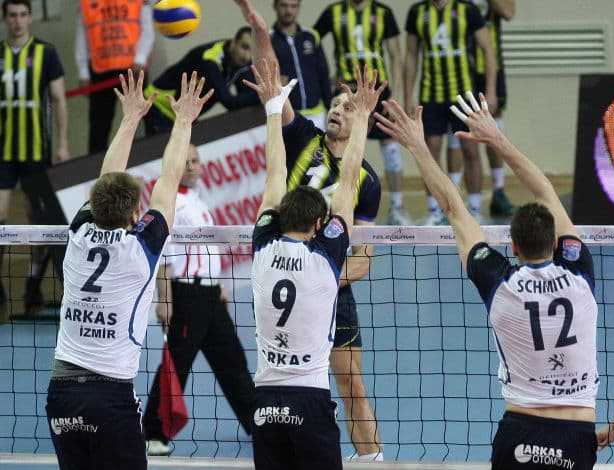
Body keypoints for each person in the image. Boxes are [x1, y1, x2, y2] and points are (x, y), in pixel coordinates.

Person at [375, 93, 599, 470]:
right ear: (555, 242)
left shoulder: (500, 284)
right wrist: (497, 139)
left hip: (520, 432)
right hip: (576, 434)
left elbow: (454, 208)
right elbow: (545, 191)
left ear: (513, 246)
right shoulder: (580, 273)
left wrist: (417, 146)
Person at [234, 0, 385, 460]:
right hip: (286, 266)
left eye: (347, 107)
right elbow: (272, 84)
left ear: (359, 119)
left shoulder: (367, 182)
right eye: (334, 104)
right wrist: (261, 31)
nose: (337, 110)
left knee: (352, 384)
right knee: (289, 377)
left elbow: (363, 259)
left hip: (329, 287)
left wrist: (322, 279)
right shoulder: (302, 137)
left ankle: (373, 460)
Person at [45, 69, 213, 470]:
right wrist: (184, 121)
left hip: (61, 395)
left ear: (95, 206)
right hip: (110, 396)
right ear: (136, 214)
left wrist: (130, 119)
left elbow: (106, 179)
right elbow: (169, 180)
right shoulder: (141, 249)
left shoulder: (78, 235)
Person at [143, 144, 255, 456]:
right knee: (176, 364)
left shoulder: (196, 199)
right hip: (186, 296)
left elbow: (207, 249)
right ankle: (153, 433)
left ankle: (257, 424)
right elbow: (163, 256)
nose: (192, 166)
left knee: (232, 361)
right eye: (186, 161)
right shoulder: (170, 203)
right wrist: (164, 300)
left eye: (196, 160)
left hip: (210, 295)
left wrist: (218, 285)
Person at [314, 0, 412, 225]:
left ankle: (397, 208)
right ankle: (330, 204)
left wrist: (395, 94)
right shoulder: (334, 11)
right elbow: (312, 42)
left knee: (390, 147)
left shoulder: (383, 12)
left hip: (377, 92)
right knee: (336, 145)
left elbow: (395, 54)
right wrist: (326, 76)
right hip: (346, 92)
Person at [0, 0, 70, 310]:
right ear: (5, 19)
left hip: (36, 151)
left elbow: (59, 99)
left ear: (30, 17)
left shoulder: (46, 52)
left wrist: (63, 144)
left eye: (23, 15)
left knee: (37, 221)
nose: (18, 21)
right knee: (1, 218)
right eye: (12, 15)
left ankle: (32, 284)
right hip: (3, 152)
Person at [404, 0, 497, 225]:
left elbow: (487, 49)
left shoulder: (467, 9)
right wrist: (407, 95)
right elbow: (411, 55)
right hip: (431, 95)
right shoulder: (417, 12)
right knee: (430, 151)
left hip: (463, 95)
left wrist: (491, 90)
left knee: (471, 150)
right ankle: (435, 211)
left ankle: (474, 209)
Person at [445, 0, 516, 218]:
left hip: (488, 66)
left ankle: (498, 190)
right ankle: (453, 198)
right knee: (457, 129)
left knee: (492, 124)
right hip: (458, 67)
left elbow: (508, 12)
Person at [143, 26, 259, 136]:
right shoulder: (210, 61)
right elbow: (229, 102)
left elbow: (248, 93)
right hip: (159, 105)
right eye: (244, 47)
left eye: (252, 51)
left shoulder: (241, 62)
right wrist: (261, 95)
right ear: (233, 43)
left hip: (183, 114)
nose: (247, 56)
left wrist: (260, 95)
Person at [75, 0, 155, 153]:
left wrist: (140, 59)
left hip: (133, 70)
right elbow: (82, 37)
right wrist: (83, 72)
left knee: (145, 119)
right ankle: (97, 164)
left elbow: (147, 31)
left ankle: (153, 158)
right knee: (99, 127)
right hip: (101, 71)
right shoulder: (86, 3)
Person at [270, 0, 332, 130]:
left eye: (294, 6)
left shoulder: (311, 36)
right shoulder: (268, 39)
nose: (289, 11)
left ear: (298, 7)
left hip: (317, 114)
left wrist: (331, 108)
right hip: (288, 116)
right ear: (275, 6)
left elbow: (323, 75)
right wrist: (273, 81)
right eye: (284, 5)